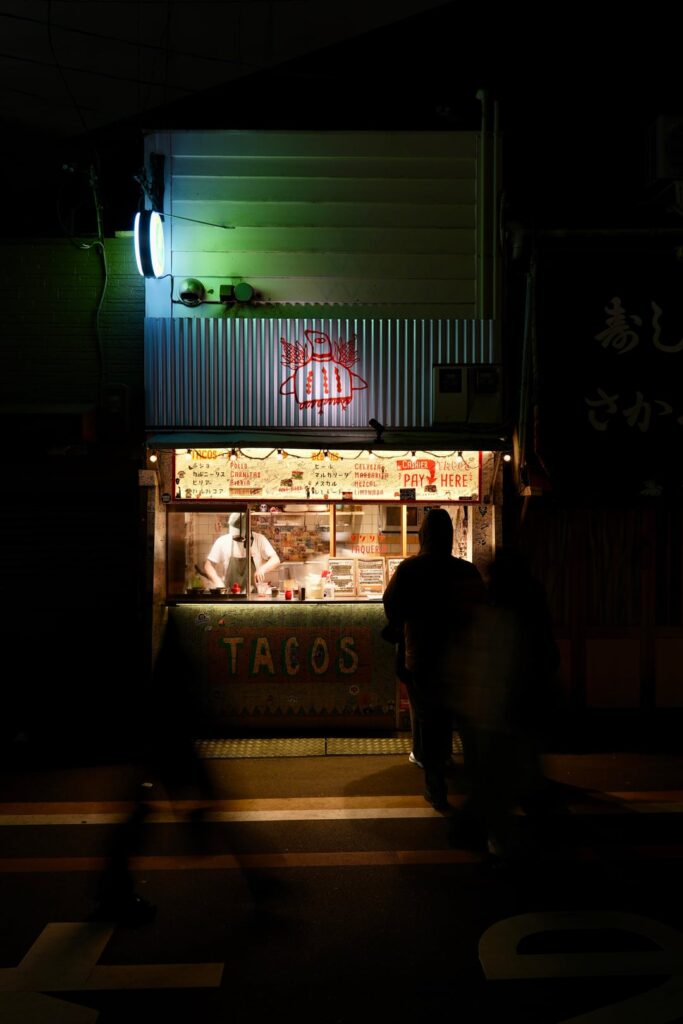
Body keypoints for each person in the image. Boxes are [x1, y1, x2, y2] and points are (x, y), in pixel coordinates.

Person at [382, 508, 487, 812]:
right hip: (462, 660)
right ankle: (477, 786)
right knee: (467, 726)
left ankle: (436, 787)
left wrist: (407, 625)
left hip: (423, 658)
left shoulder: (409, 570)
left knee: (432, 726)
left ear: (422, 535)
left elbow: (391, 605)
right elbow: (482, 611)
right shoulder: (466, 571)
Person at [204, 511, 280, 593]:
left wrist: (263, 569)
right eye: (235, 537)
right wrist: (218, 581)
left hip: (253, 596)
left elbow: (276, 559)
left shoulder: (259, 539)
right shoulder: (222, 541)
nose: (239, 540)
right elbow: (208, 565)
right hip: (229, 596)